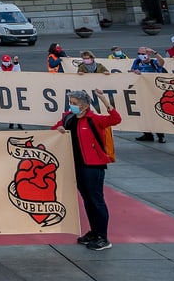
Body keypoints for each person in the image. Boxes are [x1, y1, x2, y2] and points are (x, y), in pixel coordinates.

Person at [52, 89, 121, 251]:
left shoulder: (94, 119)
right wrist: (58, 129)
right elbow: (55, 128)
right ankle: (94, 232)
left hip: (93, 166)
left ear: (84, 105)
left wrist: (104, 99)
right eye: (71, 102)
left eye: (75, 103)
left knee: (96, 200)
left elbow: (115, 119)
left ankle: (103, 237)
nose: (72, 106)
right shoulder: (68, 117)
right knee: (87, 200)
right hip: (77, 164)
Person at [130, 47, 166, 142]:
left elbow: (162, 63)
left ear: (148, 54)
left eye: (143, 53)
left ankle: (161, 135)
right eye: (139, 53)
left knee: (156, 113)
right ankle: (147, 134)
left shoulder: (153, 62)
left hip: (154, 91)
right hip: (142, 90)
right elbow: (132, 70)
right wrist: (135, 72)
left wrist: (155, 52)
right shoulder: (137, 61)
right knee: (143, 114)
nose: (141, 55)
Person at [0, 55, 25, 129]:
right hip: (5, 91)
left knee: (17, 107)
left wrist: (16, 62)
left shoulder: (14, 68)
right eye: (6, 61)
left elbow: (18, 71)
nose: (7, 63)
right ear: (2, 61)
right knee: (9, 108)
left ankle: (19, 123)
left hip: (14, 89)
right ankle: (11, 122)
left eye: (8, 61)